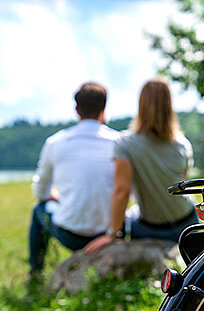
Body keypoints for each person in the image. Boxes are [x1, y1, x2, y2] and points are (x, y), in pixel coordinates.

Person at [84, 78, 198, 253]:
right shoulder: (183, 145)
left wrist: (112, 233)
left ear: (141, 105)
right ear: (169, 105)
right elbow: (183, 184)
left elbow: (122, 191)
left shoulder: (125, 144)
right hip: (188, 222)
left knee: (133, 214)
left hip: (151, 229)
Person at [28, 81, 119, 277]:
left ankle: (35, 272)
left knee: (38, 210)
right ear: (104, 109)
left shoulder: (55, 142)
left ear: (76, 110)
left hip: (70, 236)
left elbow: (40, 191)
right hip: (108, 231)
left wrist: (54, 196)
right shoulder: (120, 143)